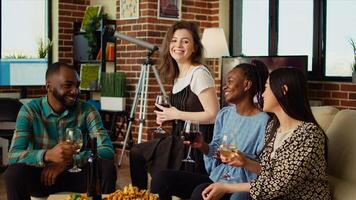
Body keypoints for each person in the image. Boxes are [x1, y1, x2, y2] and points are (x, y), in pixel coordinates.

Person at [201, 67, 331, 200]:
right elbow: (268, 170)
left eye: (267, 88)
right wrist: (245, 162)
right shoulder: (274, 128)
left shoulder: (308, 134)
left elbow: (278, 184)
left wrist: (226, 187)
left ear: (283, 90)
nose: (262, 94)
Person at [151, 60, 270, 200]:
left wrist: (242, 159)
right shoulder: (225, 114)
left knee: (201, 193)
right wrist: (203, 146)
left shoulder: (264, 121)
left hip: (241, 186)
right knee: (162, 179)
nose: (225, 87)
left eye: (230, 81)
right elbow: (216, 153)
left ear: (247, 85)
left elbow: (266, 168)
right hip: (219, 178)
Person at [4, 62, 117, 200]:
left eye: (77, 85)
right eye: (68, 85)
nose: (75, 90)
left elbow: (107, 150)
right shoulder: (30, 111)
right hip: (43, 176)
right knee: (13, 174)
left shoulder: (87, 110)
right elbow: (13, 155)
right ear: (49, 86)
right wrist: (47, 155)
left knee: (106, 168)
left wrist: (66, 162)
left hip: (77, 174)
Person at [129, 20, 220, 189]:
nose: (178, 45)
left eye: (185, 41)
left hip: (196, 143)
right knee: (136, 152)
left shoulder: (199, 73)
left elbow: (214, 115)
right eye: (174, 40)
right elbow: (185, 110)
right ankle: (139, 195)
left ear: (195, 48)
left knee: (142, 157)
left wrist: (176, 114)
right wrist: (167, 116)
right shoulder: (179, 75)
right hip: (179, 138)